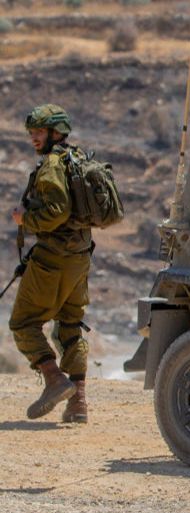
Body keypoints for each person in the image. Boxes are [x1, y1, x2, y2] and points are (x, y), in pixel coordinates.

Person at [9, 104, 93, 423]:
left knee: (23, 323)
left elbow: (56, 211)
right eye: (32, 132)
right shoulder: (78, 159)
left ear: (56, 132)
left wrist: (25, 219)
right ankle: (78, 403)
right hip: (80, 258)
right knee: (70, 324)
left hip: (53, 259)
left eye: (39, 132)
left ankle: (55, 379)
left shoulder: (52, 166)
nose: (34, 138)